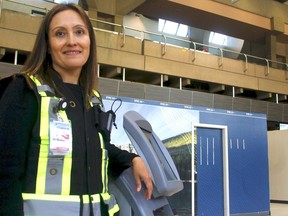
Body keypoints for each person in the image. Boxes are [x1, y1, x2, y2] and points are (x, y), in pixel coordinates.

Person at [0, 3, 152, 216]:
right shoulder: (25, 90)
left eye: (79, 32)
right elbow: (4, 176)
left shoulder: (93, 99)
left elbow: (99, 150)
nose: (72, 41)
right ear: (48, 44)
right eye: (60, 33)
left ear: (89, 41)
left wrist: (132, 159)